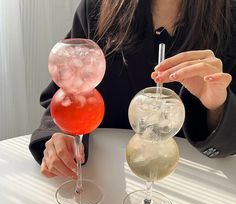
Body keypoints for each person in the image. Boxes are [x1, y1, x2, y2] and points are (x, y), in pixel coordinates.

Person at [29, 0, 236, 178]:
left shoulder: (230, 21)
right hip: (102, 178)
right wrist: (62, 135)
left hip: (190, 182)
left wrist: (218, 105)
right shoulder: (97, 9)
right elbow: (67, 91)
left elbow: (228, 142)